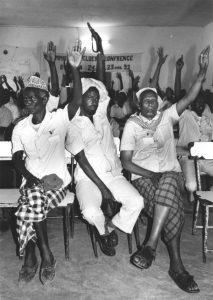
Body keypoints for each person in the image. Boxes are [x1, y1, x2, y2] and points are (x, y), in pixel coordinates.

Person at [120, 46, 210, 293]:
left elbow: (190, 97)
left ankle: (150, 244)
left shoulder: (168, 116)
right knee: (173, 206)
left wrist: (202, 72)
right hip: (144, 178)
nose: (150, 103)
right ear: (139, 104)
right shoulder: (131, 125)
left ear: (158, 103)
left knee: (170, 181)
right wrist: (151, 175)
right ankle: (177, 267)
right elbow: (126, 162)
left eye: (153, 100)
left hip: (169, 175)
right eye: (146, 101)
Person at [11, 40, 85, 285]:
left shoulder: (59, 118)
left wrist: (75, 69)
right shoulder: (19, 127)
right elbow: (16, 158)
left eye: (32, 97)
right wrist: (31, 178)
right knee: (32, 199)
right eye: (25, 98)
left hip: (56, 183)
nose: (28, 101)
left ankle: (32, 256)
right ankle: (45, 254)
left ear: (45, 97)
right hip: (31, 183)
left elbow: (75, 102)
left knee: (27, 207)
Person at [66, 77, 144, 256]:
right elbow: (83, 161)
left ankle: (110, 225)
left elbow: (104, 88)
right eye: (89, 97)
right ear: (80, 99)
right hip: (88, 179)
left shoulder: (101, 116)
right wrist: (103, 188)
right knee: (90, 211)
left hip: (112, 175)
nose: (94, 100)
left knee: (137, 202)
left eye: (96, 97)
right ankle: (102, 230)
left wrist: (101, 55)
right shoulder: (73, 125)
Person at [178, 90, 213, 193]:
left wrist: (209, 114)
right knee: (192, 186)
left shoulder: (208, 118)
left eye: (202, 102)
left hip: (206, 158)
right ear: (191, 103)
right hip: (188, 158)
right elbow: (181, 99)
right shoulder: (185, 115)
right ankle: (191, 194)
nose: (201, 105)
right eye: (198, 102)